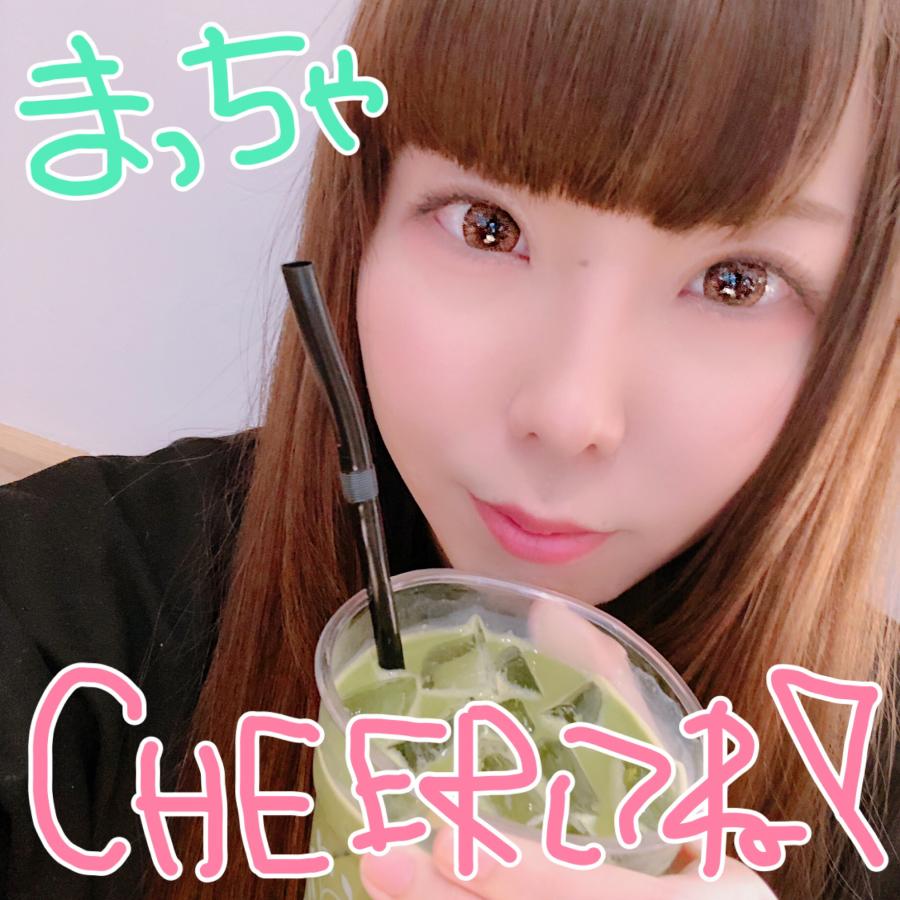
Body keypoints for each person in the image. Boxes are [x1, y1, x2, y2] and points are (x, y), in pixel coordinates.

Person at [1, 0, 897, 898]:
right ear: (366, 218)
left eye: (736, 282)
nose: (569, 413)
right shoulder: (64, 608)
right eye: (486, 226)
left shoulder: (873, 791)